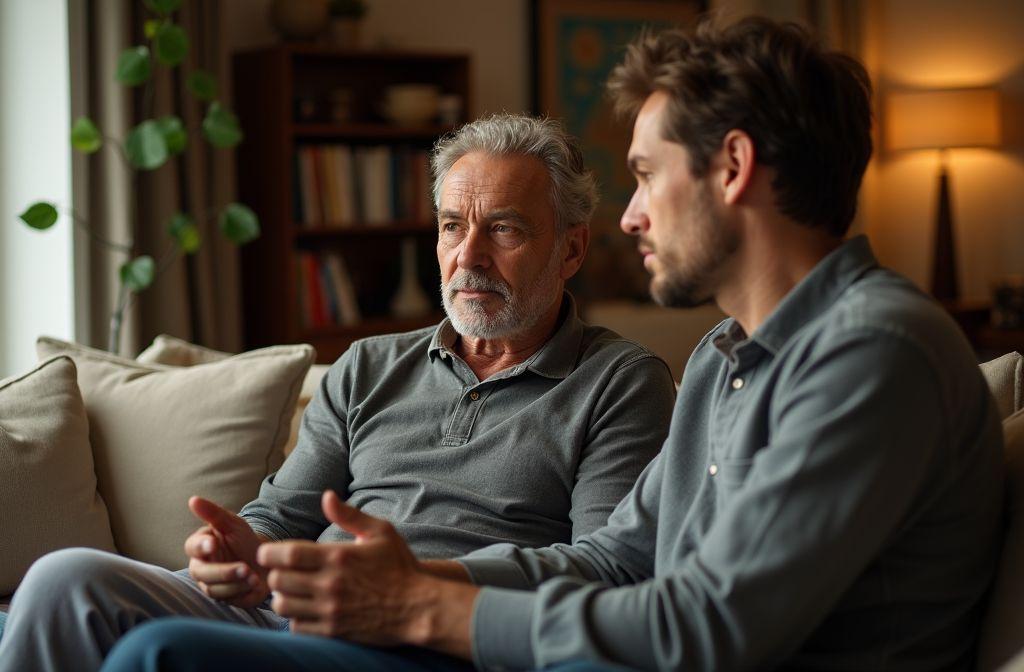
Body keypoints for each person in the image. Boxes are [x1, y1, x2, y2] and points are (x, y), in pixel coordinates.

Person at [98, 17, 1005, 672]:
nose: (631, 213)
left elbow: (711, 629)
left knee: (157, 655)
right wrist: (411, 572)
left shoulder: (873, 352)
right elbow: (615, 558)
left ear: (731, 169)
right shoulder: (736, 357)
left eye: (647, 174)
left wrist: (421, 609)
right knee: (88, 604)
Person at [0, 115, 677, 672]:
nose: (467, 256)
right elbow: (282, 514)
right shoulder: (370, 364)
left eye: (503, 228)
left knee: (161, 654)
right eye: (451, 225)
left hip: (432, 632)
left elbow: (605, 568)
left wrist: (418, 580)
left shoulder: (620, 382)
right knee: (64, 581)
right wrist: (241, 551)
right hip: (297, 605)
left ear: (571, 249)